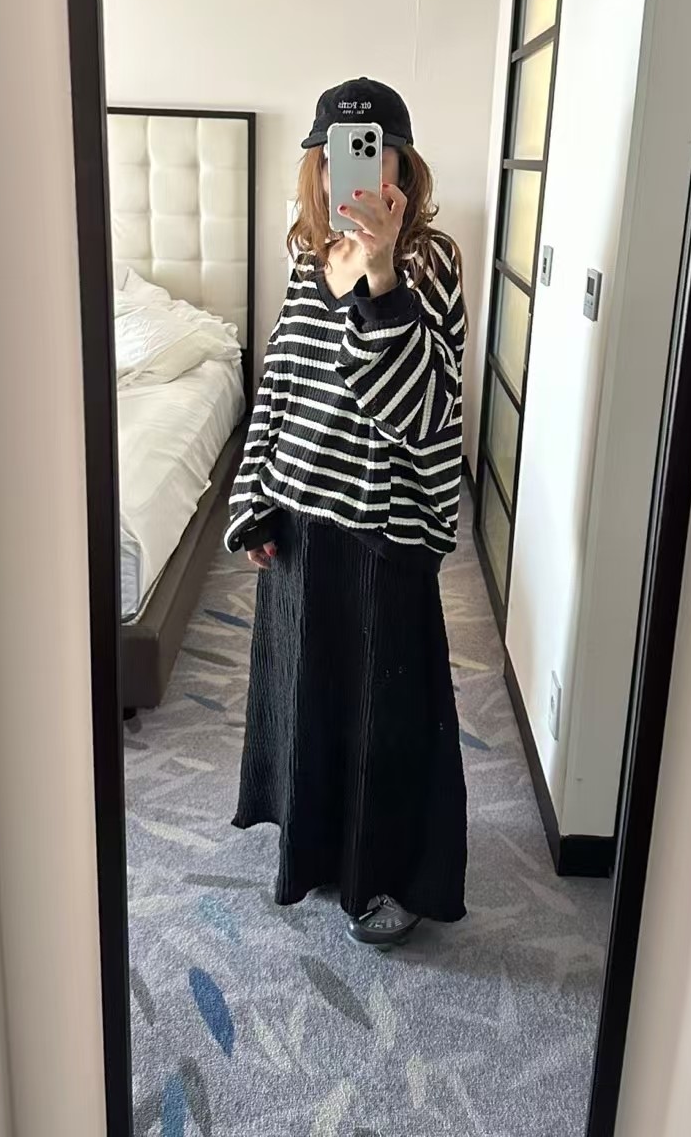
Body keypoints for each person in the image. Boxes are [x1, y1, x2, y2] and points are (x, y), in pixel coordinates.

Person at [224, 77, 468, 946]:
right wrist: (255, 498)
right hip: (301, 518)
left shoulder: (429, 264)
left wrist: (382, 272)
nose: (355, 172)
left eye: (376, 153)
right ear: (320, 168)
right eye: (337, 157)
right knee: (310, 693)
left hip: (381, 527)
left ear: (403, 166)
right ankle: (322, 844)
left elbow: (419, 411)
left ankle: (390, 874)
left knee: (384, 716)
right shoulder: (307, 257)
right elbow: (281, 385)